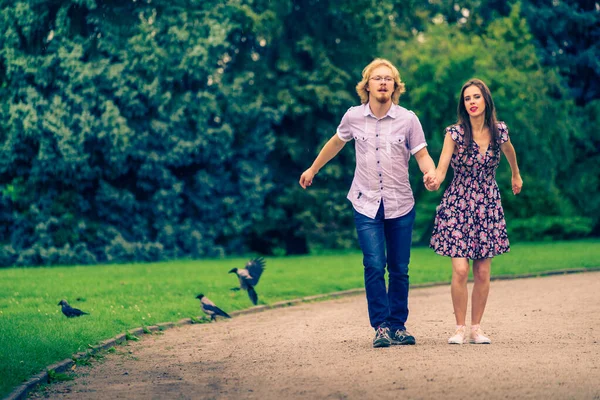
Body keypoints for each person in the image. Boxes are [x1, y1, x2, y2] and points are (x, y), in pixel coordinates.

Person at [299, 58, 437, 348]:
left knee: (399, 267)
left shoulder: (408, 119)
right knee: (374, 264)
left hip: (400, 203)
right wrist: (313, 169)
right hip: (365, 202)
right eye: (378, 78)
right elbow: (336, 142)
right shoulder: (353, 117)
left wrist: (430, 172)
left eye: (388, 78)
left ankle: (398, 325)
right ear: (367, 85)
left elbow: (421, 153)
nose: (383, 82)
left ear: (395, 86)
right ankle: (381, 326)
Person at [426, 78, 523, 345]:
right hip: (458, 203)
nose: (472, 102)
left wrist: (515, 175)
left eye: (476, 97)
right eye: (467, 98)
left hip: (487, 204)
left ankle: (476, 329)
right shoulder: (454, 133)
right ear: (463, 104)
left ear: (486, 101)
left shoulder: (499, 131)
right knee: (460, 270)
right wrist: (434, 179)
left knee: (482, 272)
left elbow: (510, 153)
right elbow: (442, 167)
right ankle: (459, 328)